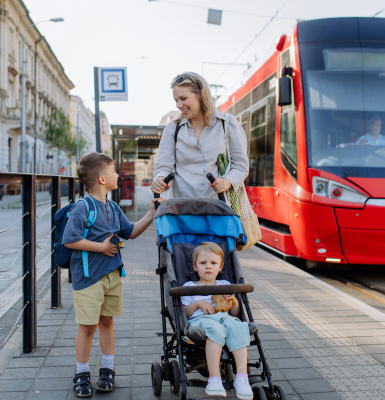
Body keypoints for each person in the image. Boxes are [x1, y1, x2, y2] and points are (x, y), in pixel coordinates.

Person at [62, 152, 163, 397]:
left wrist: (150, 214)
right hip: (88, 279)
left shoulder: (113, 206)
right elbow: (69, 240)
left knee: (107, 321)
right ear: (102, 179)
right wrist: (101, 247)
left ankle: (108, 370)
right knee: (87, 326)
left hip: (112, 275)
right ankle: (82, 373)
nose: (118, 174)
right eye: (114, 170)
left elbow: (130, 232)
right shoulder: (83, 208)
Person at [152, 72, 249, 199]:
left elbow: (240, 166)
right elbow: (164, 166)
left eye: (183, 98)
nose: (179, 105)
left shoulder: (227, 124)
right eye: (176, 100)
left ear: (200, 94)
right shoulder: (172, 129)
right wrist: (160, 178)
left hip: (219, 209)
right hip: (183, 211)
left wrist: (227, 181)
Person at [181, 242, 253, 399]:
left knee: (239, 326)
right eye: (203, 263)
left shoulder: (225, 285)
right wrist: (198, 303)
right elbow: (184, 313)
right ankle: (214, 378)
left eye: (213, 263)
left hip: (224, 318)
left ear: (221, 267)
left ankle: (242, 377)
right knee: (217, 330)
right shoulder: (189, 286)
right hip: (200, 320)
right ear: (195, 266)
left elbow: (234, 313)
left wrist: (233, 301)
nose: (208, 267)